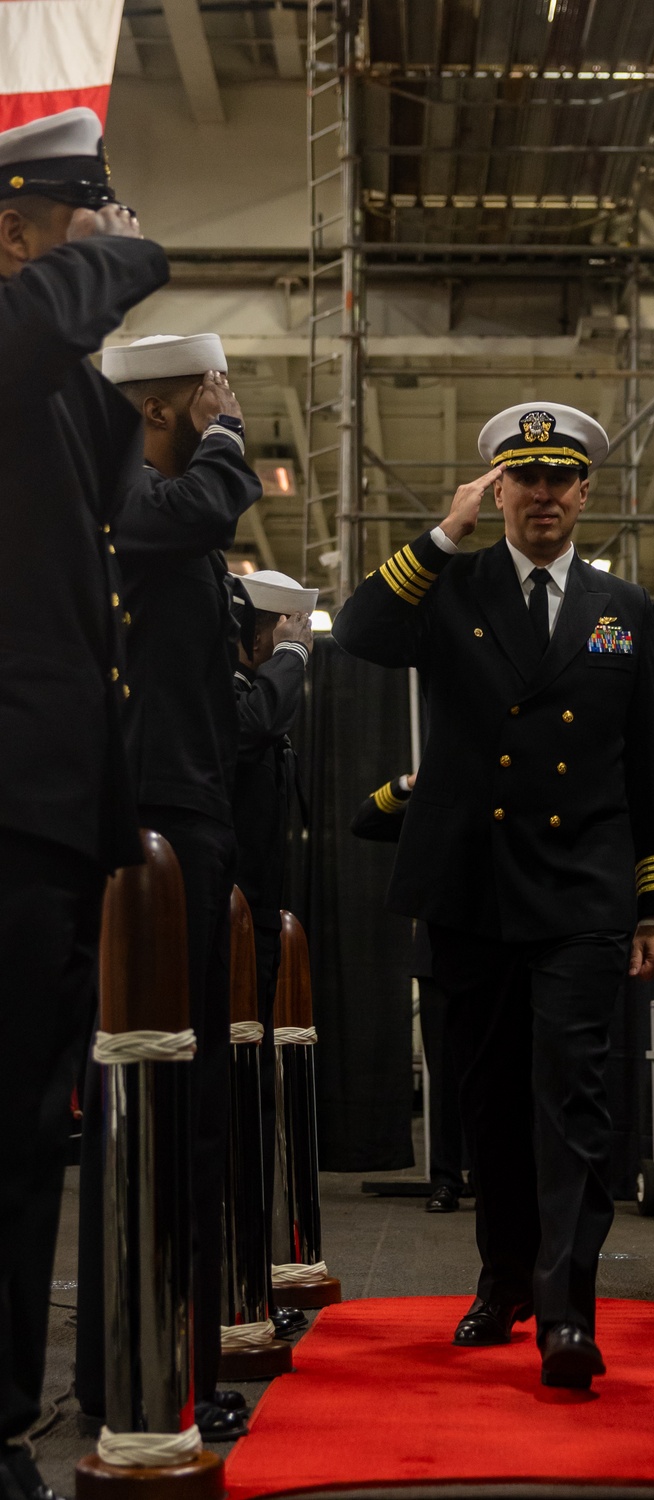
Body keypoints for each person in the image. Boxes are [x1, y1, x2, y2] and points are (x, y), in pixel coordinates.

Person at [333, 402, 654, 1390]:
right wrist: (443, 534)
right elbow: (358, 632)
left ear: (584, 491)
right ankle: (502, 1280)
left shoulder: (623, 609)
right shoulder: (453, 587)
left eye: (560, 479)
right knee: (484, 1103)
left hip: (580, 891)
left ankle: (568, 1314)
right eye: (522, 480)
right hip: (469, 886)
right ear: (498, 491)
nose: (542, 496)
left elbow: (647, 763)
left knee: (570, 1099)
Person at [0, 109, 168, 1500]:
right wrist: (135, 254)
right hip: (5, 810)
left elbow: (102, 500)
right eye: (80, 217)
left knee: (26, 1136)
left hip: (48, 812)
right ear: (16, 230)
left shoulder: (49, 388)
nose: (101, 239)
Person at [75, 333, 262, 1440]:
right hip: (151, 826)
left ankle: (172, 1365)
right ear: (169, 405)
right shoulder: (129, 493)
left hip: (189, 816)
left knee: (181, 1112)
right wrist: (227, 437)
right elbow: (199, 512)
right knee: (144, 1108)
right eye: (212, 393)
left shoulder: (162, 506)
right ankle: (133, 1368)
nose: (229, 404)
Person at [233, 569, 315, 1327]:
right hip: (227, 924)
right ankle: (234, 1292)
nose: (292, 646)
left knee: (251, 1104)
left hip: (253, 922)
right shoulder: (228, 688)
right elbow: (251, 723)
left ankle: (245, 1282)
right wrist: (288, 661)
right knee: (234, 1107)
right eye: (284, 632)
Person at [351, 773, 466, 1212]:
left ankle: (503, 1177)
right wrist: (407, 783)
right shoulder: (431, 805)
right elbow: (365, 822)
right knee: (445, 1075)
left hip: (499, 949)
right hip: (438, 955)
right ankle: (446, 1180)